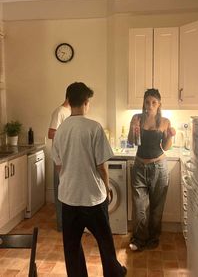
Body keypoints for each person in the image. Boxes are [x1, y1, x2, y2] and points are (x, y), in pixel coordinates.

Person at [52, 82, 127, 277]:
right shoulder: (94, 128)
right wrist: (108, 187)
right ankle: (114, 273)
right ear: (86, 102)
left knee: (72, 246)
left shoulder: (60, 130)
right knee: (105, 242)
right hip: (93, 198)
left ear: (69, 101)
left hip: (69, 198)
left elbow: (58, 165)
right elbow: (101, 166)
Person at [127, 88, 176, 251]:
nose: (150, 105)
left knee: (156, 206)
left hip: (159, 167)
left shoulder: (165, 121)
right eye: (147, 102)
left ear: (159, 104)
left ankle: (153, 237)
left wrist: (170, 135)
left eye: (154, 102)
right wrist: (132, 129)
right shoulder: (136, 118)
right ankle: (139, 238)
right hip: (139, 166)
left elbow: (167, 147)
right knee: (139, 206)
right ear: (144, 103)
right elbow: (131, 142)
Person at [48, 90, 71, 231]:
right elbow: (51, 133)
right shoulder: (60, 111)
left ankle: (68, 223)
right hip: (59, 158)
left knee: (67, 191)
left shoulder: (69, 112)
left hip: (68, 157)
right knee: (60, 192)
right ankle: (61, 225)